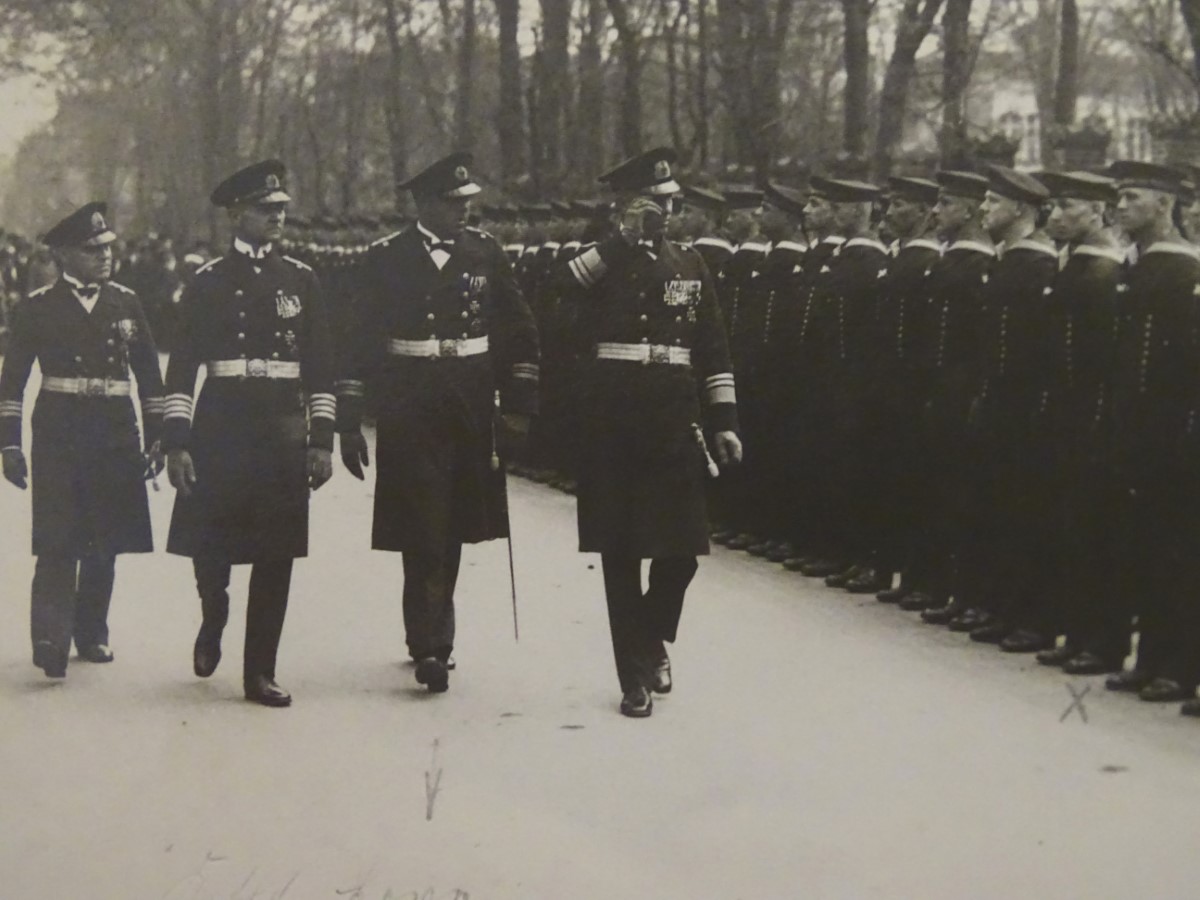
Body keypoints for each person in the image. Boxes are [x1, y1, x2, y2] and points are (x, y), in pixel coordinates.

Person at [336, 152, 540, 694]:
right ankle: (433, 642)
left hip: (470, 402)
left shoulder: (486, 254)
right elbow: (358, 339)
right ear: (424, 205)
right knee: (422, 520)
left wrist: (519, 405)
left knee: (452, 523)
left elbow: (519, 328)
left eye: (468, 202)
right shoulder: (385, 258)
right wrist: (349, 419)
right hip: (410, 403)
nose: (463, 211)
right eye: (453, 203)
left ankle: (429, 630)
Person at [555, 147, 742, 717]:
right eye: (654, 205)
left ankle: (651, 632)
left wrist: (725, 422)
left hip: (672, 417)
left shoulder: (690, 263)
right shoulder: (599, 259)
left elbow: (712, 348)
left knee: (682, 548)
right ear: (624, 208)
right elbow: (560, 293)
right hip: (612, 420)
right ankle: (632, 677)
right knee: (620, 551)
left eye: (669, 204)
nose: (667, 213)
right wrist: (619, 241)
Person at [163, 160, 336, 708]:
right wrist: (177, 440)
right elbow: (183, 365)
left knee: (276, 552)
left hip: (281, 430)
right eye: (266, 210)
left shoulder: (302, 280)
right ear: (237, 215)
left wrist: (321, 438)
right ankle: (214, 612)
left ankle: (260, 670)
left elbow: (321, 364)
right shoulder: (208, 282)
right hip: (221, 428)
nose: (277, 217)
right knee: (210, 544)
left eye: (281, 209)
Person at [0, 202, 164, 678]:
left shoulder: (126, 303)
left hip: (114, 433)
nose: (104, 256)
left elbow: (149, 375)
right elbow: (10, 383)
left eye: (107, 247)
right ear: (65, 255)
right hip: (58, 433)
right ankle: (50, 636)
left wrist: (156, 435)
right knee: (56, 538)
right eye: (93, 250)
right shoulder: (37, 307)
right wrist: (9, 445)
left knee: (103, 539)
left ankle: (92, 630)